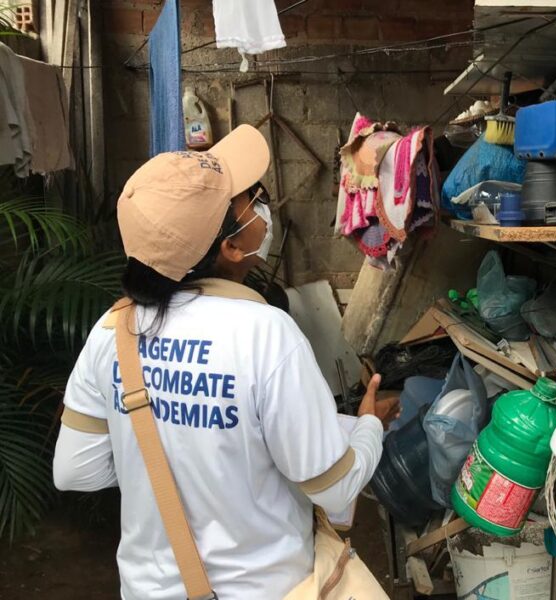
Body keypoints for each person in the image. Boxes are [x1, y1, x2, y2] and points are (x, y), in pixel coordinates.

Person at [52, 124, 399, 599]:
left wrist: (172, 453)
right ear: (232, 248)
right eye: (251, 198)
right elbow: (334, 491)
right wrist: (368, 427)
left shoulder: (112, 331)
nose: (263, 204)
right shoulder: (265, 334)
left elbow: (76, 471)